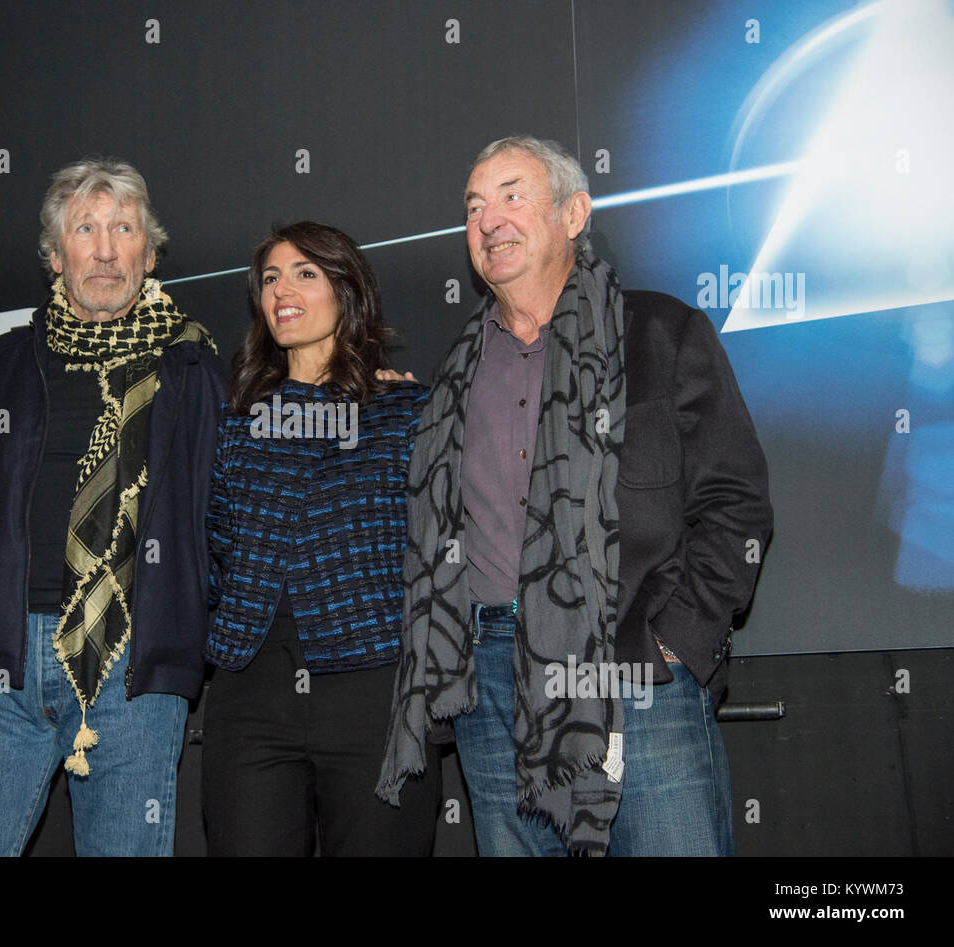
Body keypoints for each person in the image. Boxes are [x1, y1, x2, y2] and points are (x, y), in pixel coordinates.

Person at [378, 136, 773, 856]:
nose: (488, 218)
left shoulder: (659, 332)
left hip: (634, 666)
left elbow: (735, 500)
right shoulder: (456, 371)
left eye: (511, 195)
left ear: (573, 213)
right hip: (492, 681)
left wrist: (676, 639)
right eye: (473, 205)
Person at [0, 157, 224, 856]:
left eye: (123, 229)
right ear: (54, 255)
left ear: (151, 252)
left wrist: (362, 388)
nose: (105, 249)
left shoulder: (196, 371)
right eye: (85, 229)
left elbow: (236, 509)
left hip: (134, 671)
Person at [202, 221, 441, 856]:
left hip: (375, 688)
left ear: (347, 291)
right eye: (272, 277)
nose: (284, 289)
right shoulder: (236, 423)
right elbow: (215, 552)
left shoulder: (410, 413)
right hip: (249, 689)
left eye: (306, 273)